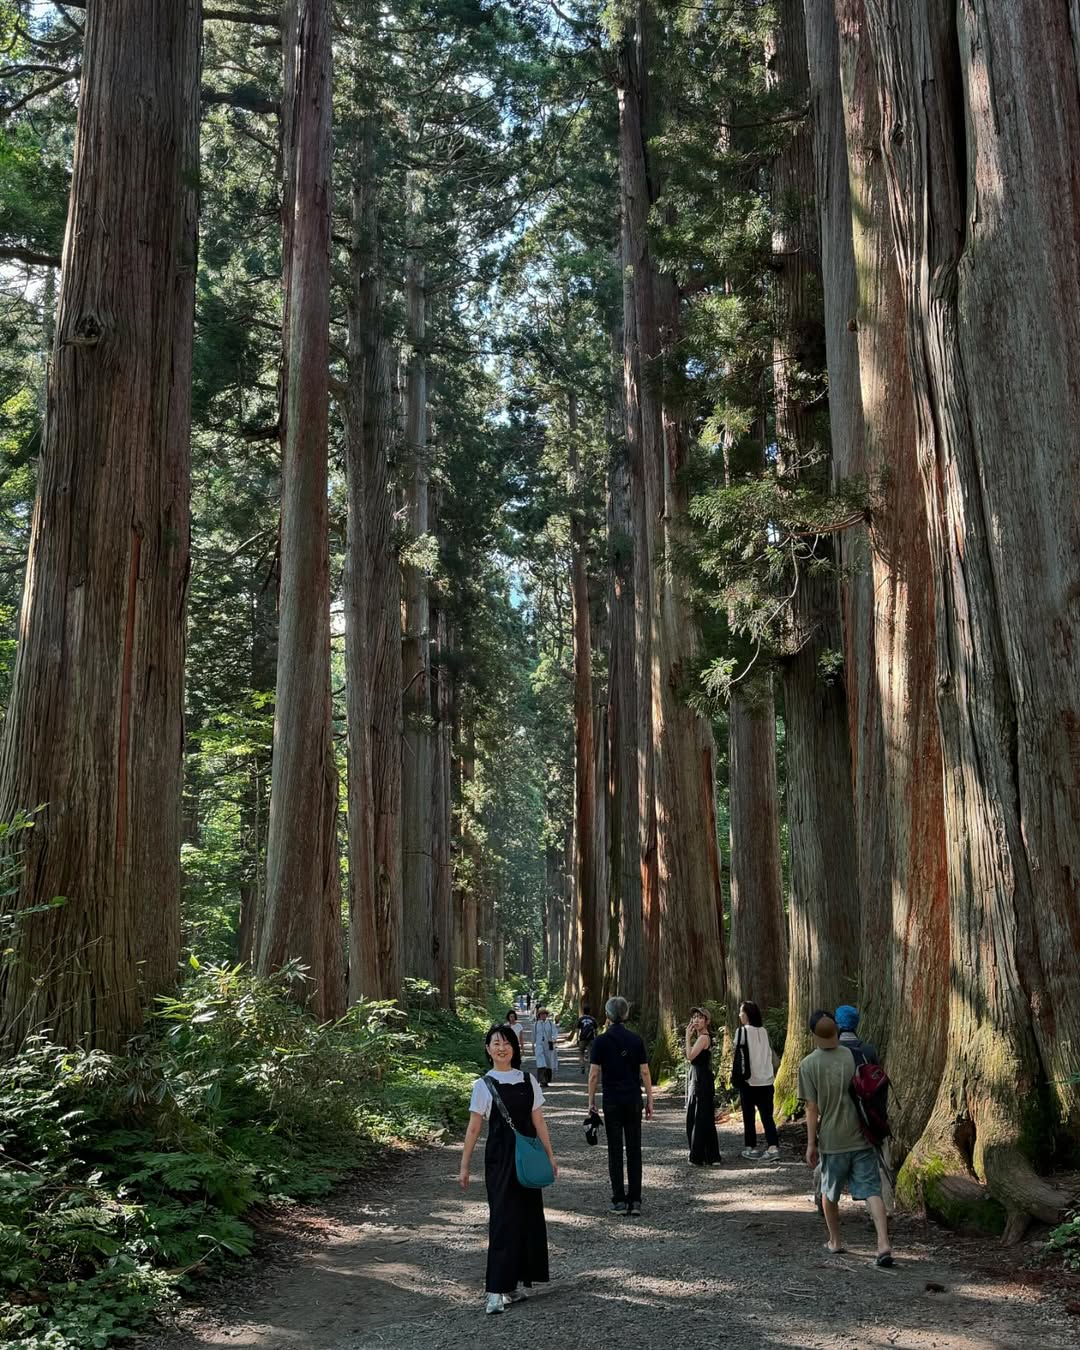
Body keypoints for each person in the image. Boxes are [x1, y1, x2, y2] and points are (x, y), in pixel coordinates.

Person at [459, 1024, 558, 1314]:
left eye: (506, 1043)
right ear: (488, 1050)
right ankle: (494, 1289)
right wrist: (464, 1165)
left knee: (527, 1218)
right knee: (502, 1220)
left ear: (514, 1048)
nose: (501, 1048)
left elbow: (539, 1122)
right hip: (500, 1161)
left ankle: (513, 1285)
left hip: (527, 1159)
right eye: (495, 1043)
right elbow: (474, 1128)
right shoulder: (483, 1085)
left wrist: (550, 1157)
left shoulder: (528, 1080)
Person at [798, 1010, 893, 1268]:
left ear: (814, 1035)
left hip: (832, 1138)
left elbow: (811, 1108)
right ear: (836, 1032)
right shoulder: (852, 1056)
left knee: (830, 1192)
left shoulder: (808, 1065)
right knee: (872, 1190)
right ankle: (883, 1243)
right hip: (861, 1134)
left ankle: (835, 1240)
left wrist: (810, 1144)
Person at [588, 995, 654, 1216]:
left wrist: (591, 1103)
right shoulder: (636, 1040)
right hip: (633, 1099)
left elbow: (594, 1074)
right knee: (634, 1150)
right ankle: (635, 1200)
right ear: (626, 1015)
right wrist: (650, 1100)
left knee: (615, 1151)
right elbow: (644, 1071)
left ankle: (618, 1200)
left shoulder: (600, 1042)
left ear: (607, 1016)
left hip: (612, 1101)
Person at [735, 999, 780, 1161]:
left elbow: (738, 1056)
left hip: (749, 1081)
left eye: (741, 1011)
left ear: (747, 1014)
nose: (740, 1014)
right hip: (767, 1080)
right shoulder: (764, 1031)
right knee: (767, 1116)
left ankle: (751, 1147)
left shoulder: (741, 1032)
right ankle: (773, 1148)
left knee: (749, 1115)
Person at [685, 1006, 722, 1166]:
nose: (696, 1020)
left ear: (707, 1021)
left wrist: (687, 1037)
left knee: (697, 1118)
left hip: (701, 1081)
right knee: (705, 1118)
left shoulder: (703, 1038)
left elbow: (690, 1055)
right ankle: (712, 1156)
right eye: (694, 1017)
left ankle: (697, 1156)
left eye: (700, 1017)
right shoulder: (703, 1037)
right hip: (702, 1079)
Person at [533, 1006, 558, 1087]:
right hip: (539, 1045)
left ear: (546, 1015)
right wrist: (532, 1045)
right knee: (541, 1062)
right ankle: (542, 1080)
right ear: (539, 1015)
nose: (543, 1015)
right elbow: (534, 1035)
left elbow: (555, 1034)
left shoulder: (551, 1024)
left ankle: (547, 1079)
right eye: (541, 1014)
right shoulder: (536, 1024)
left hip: (548, 1046)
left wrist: (553, 1040)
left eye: (544, 1014)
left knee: (548, 1063)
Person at [574, 1003, 599, 1075]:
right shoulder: (593, 1019)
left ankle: (582, 1066)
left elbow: (578, 1029)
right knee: (590, 1053)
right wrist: (596, 1038)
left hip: (582, 1038)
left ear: (583, 1011)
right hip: (591, 1038)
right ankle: (589, 1067)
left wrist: (578, 1039)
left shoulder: (581, 1019)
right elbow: (596, 1030)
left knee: (581, 1053)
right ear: (589, 1011)